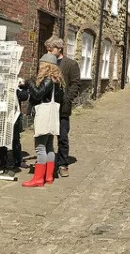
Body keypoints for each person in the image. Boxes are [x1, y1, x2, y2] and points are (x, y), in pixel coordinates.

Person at [22, 53, 65, 187]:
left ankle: (38, 179)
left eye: (41, 64)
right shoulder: (58, 81)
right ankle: (48, 176)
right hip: (52, 117)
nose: (39, 67)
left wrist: (29, 82)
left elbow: (38, 94)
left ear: (46, 65)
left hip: (44, 116)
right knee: (49, 147)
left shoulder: (48, 80)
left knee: (40, 148)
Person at [45, 36, 80, 178]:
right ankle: (48, 162)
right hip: (47, 105)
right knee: (46, 137)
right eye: (47, 48)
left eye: (51, 48)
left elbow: (76, 84)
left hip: (62, 107)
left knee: (62, 137)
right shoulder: (46, 62)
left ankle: (63, 163)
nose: (48, 51)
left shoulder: (71, 64)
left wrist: (67, 99)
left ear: (59, 48)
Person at [0, 83, 29, 170]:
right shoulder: (0, 83)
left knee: (15, 138)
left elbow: (24, 96)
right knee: (2, 138)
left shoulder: (16, 83)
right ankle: (3, 161)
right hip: (2, 114)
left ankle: (17, 161)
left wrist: (22, 87)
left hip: (14, 115)